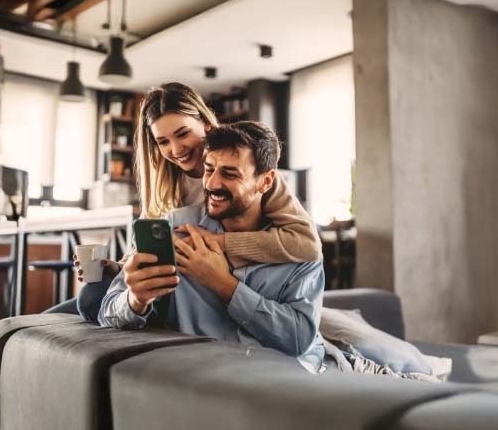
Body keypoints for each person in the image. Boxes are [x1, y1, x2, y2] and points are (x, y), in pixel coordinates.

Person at [76, 82, 320, 322]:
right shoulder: (166, 182)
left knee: (92, 303)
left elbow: (307, 244)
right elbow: (152, 252)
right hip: (176, 284)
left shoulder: (251, 172)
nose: (176, 149)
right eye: (163, 142)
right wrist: (119, 268)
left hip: (218, 287)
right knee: (88, 298)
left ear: (205, 124)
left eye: (183, 134)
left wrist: (219, 242)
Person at [98, 121, 326, 372]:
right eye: (209, 170)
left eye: (230, 174)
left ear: (266, 181)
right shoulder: (176, 227)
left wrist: (225, 285)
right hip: (196, 378)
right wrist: (136, 300)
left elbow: (300, 340)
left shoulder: (298, 246)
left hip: (267, 382)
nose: (212, 184)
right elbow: (108, 313)